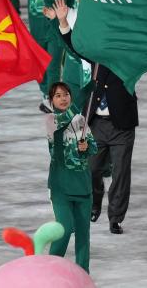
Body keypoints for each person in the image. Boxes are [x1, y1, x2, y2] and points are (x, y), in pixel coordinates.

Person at [55, 0, 137, 235]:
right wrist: (63, 22)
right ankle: (94, 204)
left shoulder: (130, 55)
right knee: (91, 169)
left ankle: (116, 218)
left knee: (121, 173)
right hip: (96, 123)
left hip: (122, 124)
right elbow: (74, 47)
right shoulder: (96, 54)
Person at [44, 81, 97, 272]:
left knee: (83, 234)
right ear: (51, 100)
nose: (63, 98)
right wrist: (85, 93)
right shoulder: (51, 120)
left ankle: (83, 273)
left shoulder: (81, 119)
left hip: (83, 186)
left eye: (66, 94)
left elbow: (93, 147)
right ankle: (49, 270)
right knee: (64, 229)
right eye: (58, 96)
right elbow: (58, 142)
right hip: (61, 187)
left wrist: (86, 147)